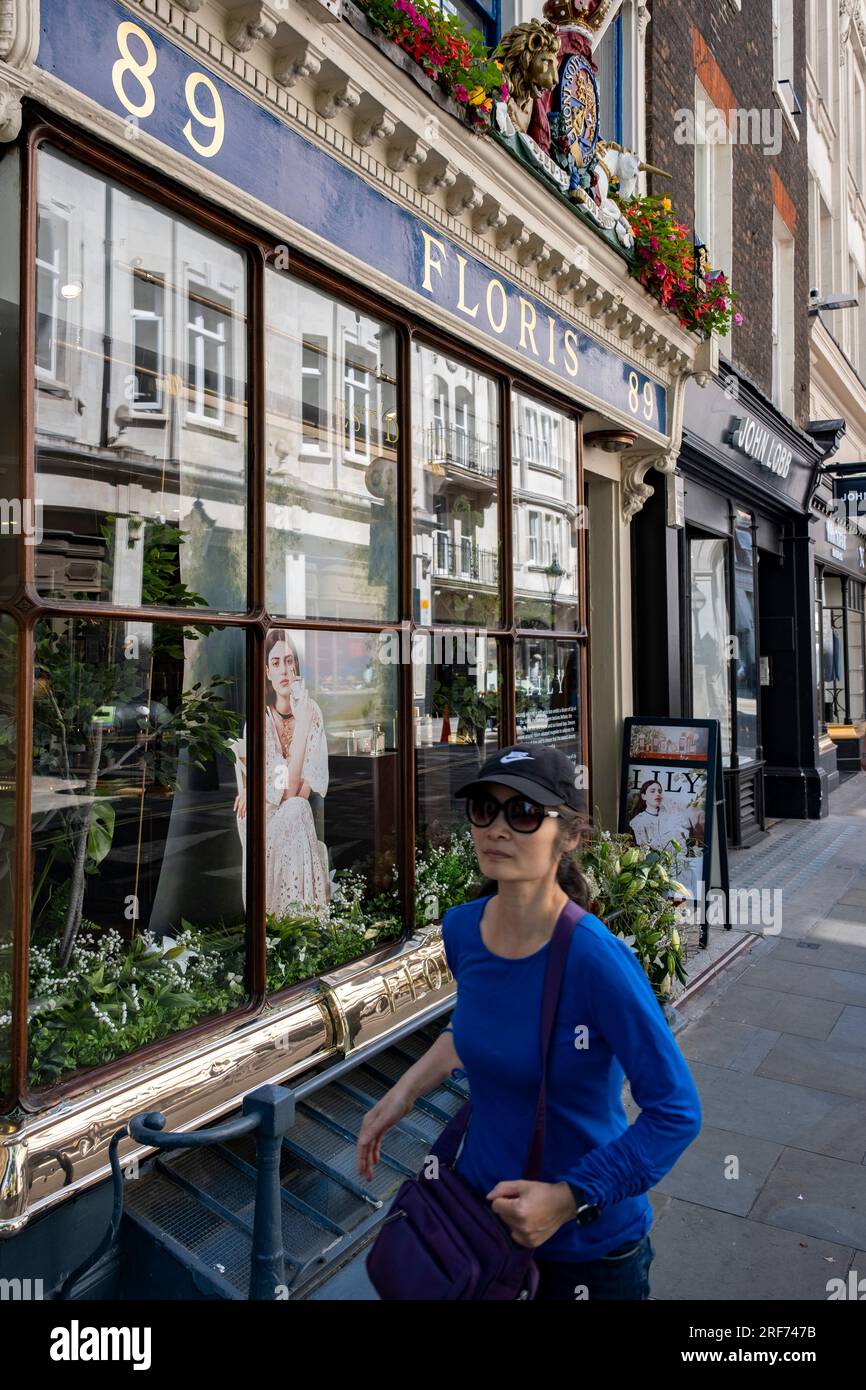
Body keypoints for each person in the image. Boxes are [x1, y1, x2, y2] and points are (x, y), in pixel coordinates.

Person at [356, 743, 702, 1301]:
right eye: (483, 809)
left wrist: (568, 1199)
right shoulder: (463, 929)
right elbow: (475, 1027)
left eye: (522, 813)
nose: (497, 828)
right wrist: (401, 1093)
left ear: (568, 836)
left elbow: (677, 1113)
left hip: (586, 1253)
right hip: (478, 1225)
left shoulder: (595, 959)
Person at [234, 629, 330, 914]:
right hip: (265, 828)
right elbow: (286, 790)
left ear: (297, 667)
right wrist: (302, 725)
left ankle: (295, 922)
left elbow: (302, 790)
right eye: (276, 663)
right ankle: (304, 920)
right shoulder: (259, 723)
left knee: (298, 808)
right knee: (295, 809)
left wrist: (303, 718)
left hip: (296, 820)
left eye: (290, 661)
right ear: (266, 671)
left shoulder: (312, 712)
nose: (285, 670)